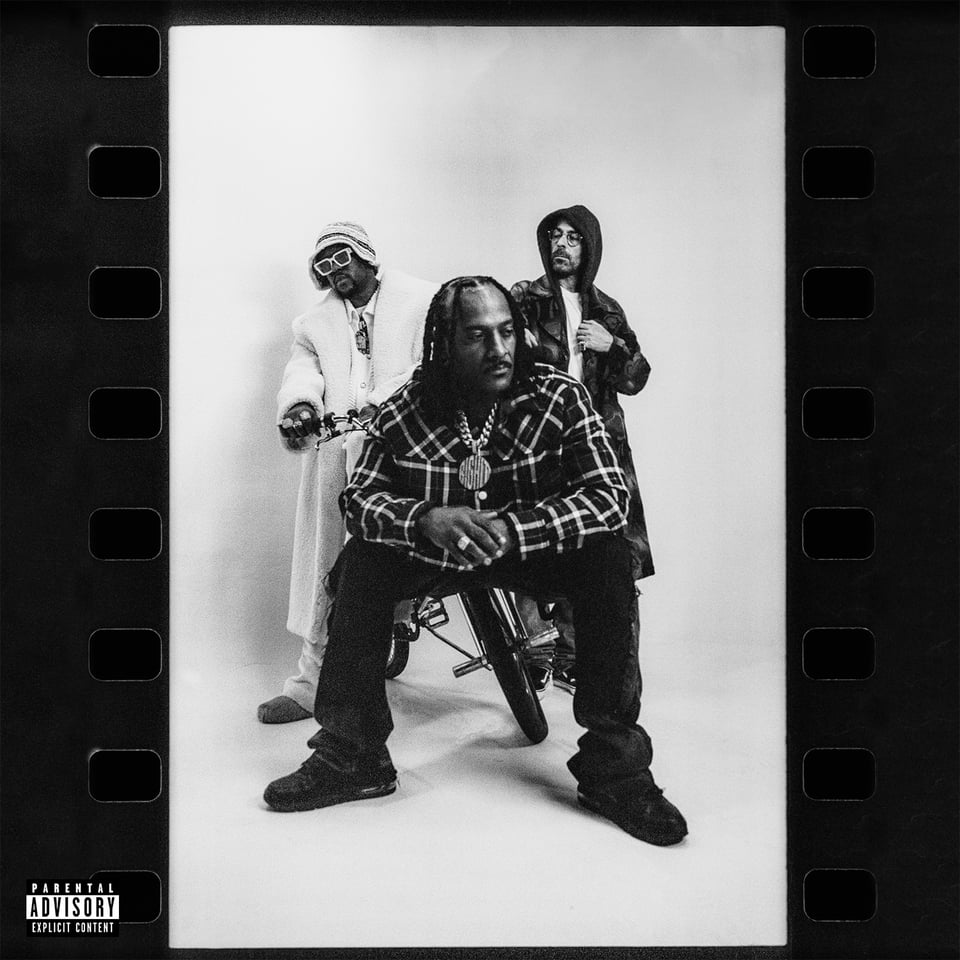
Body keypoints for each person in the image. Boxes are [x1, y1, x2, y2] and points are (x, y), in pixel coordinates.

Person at [263, 276, 687, 846]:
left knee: (609, 557)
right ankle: (353, 756)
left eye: (507, 332)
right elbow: (360, 501)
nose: (499, 349)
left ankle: (616, 773)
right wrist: (425, 519)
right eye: (477, 335)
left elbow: (610, 497)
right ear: (443, 343)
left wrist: (516, 529)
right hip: (437, 549)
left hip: (530, 548)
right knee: (363, 562)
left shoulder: (559, 397)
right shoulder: (406, 407)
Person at [258, 222, 437, 724]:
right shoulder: (313, 324)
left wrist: (382, 403)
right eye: (323, 264)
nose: (334, 270)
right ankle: (310, 684)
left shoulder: (423, 303)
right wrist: (300, 406)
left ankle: (374, 655)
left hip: (404, 453)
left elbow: (432, 365)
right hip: (336, 456)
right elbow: (303, 370)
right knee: (325, 564)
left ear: (366, 256)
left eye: (342, 257)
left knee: (386, 563)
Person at [510, 204, 654, 697]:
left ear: (589, 247)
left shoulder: (607, 310)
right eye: (555, 235)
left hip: (597, 444)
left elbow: (636, 379)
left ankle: (573, 657)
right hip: (537, 441)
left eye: (573, 238)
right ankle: (536, 648)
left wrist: (613, 345)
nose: (562, 244)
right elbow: (502, 362)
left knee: (595, 543)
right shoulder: (524, 298)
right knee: (530, 539)